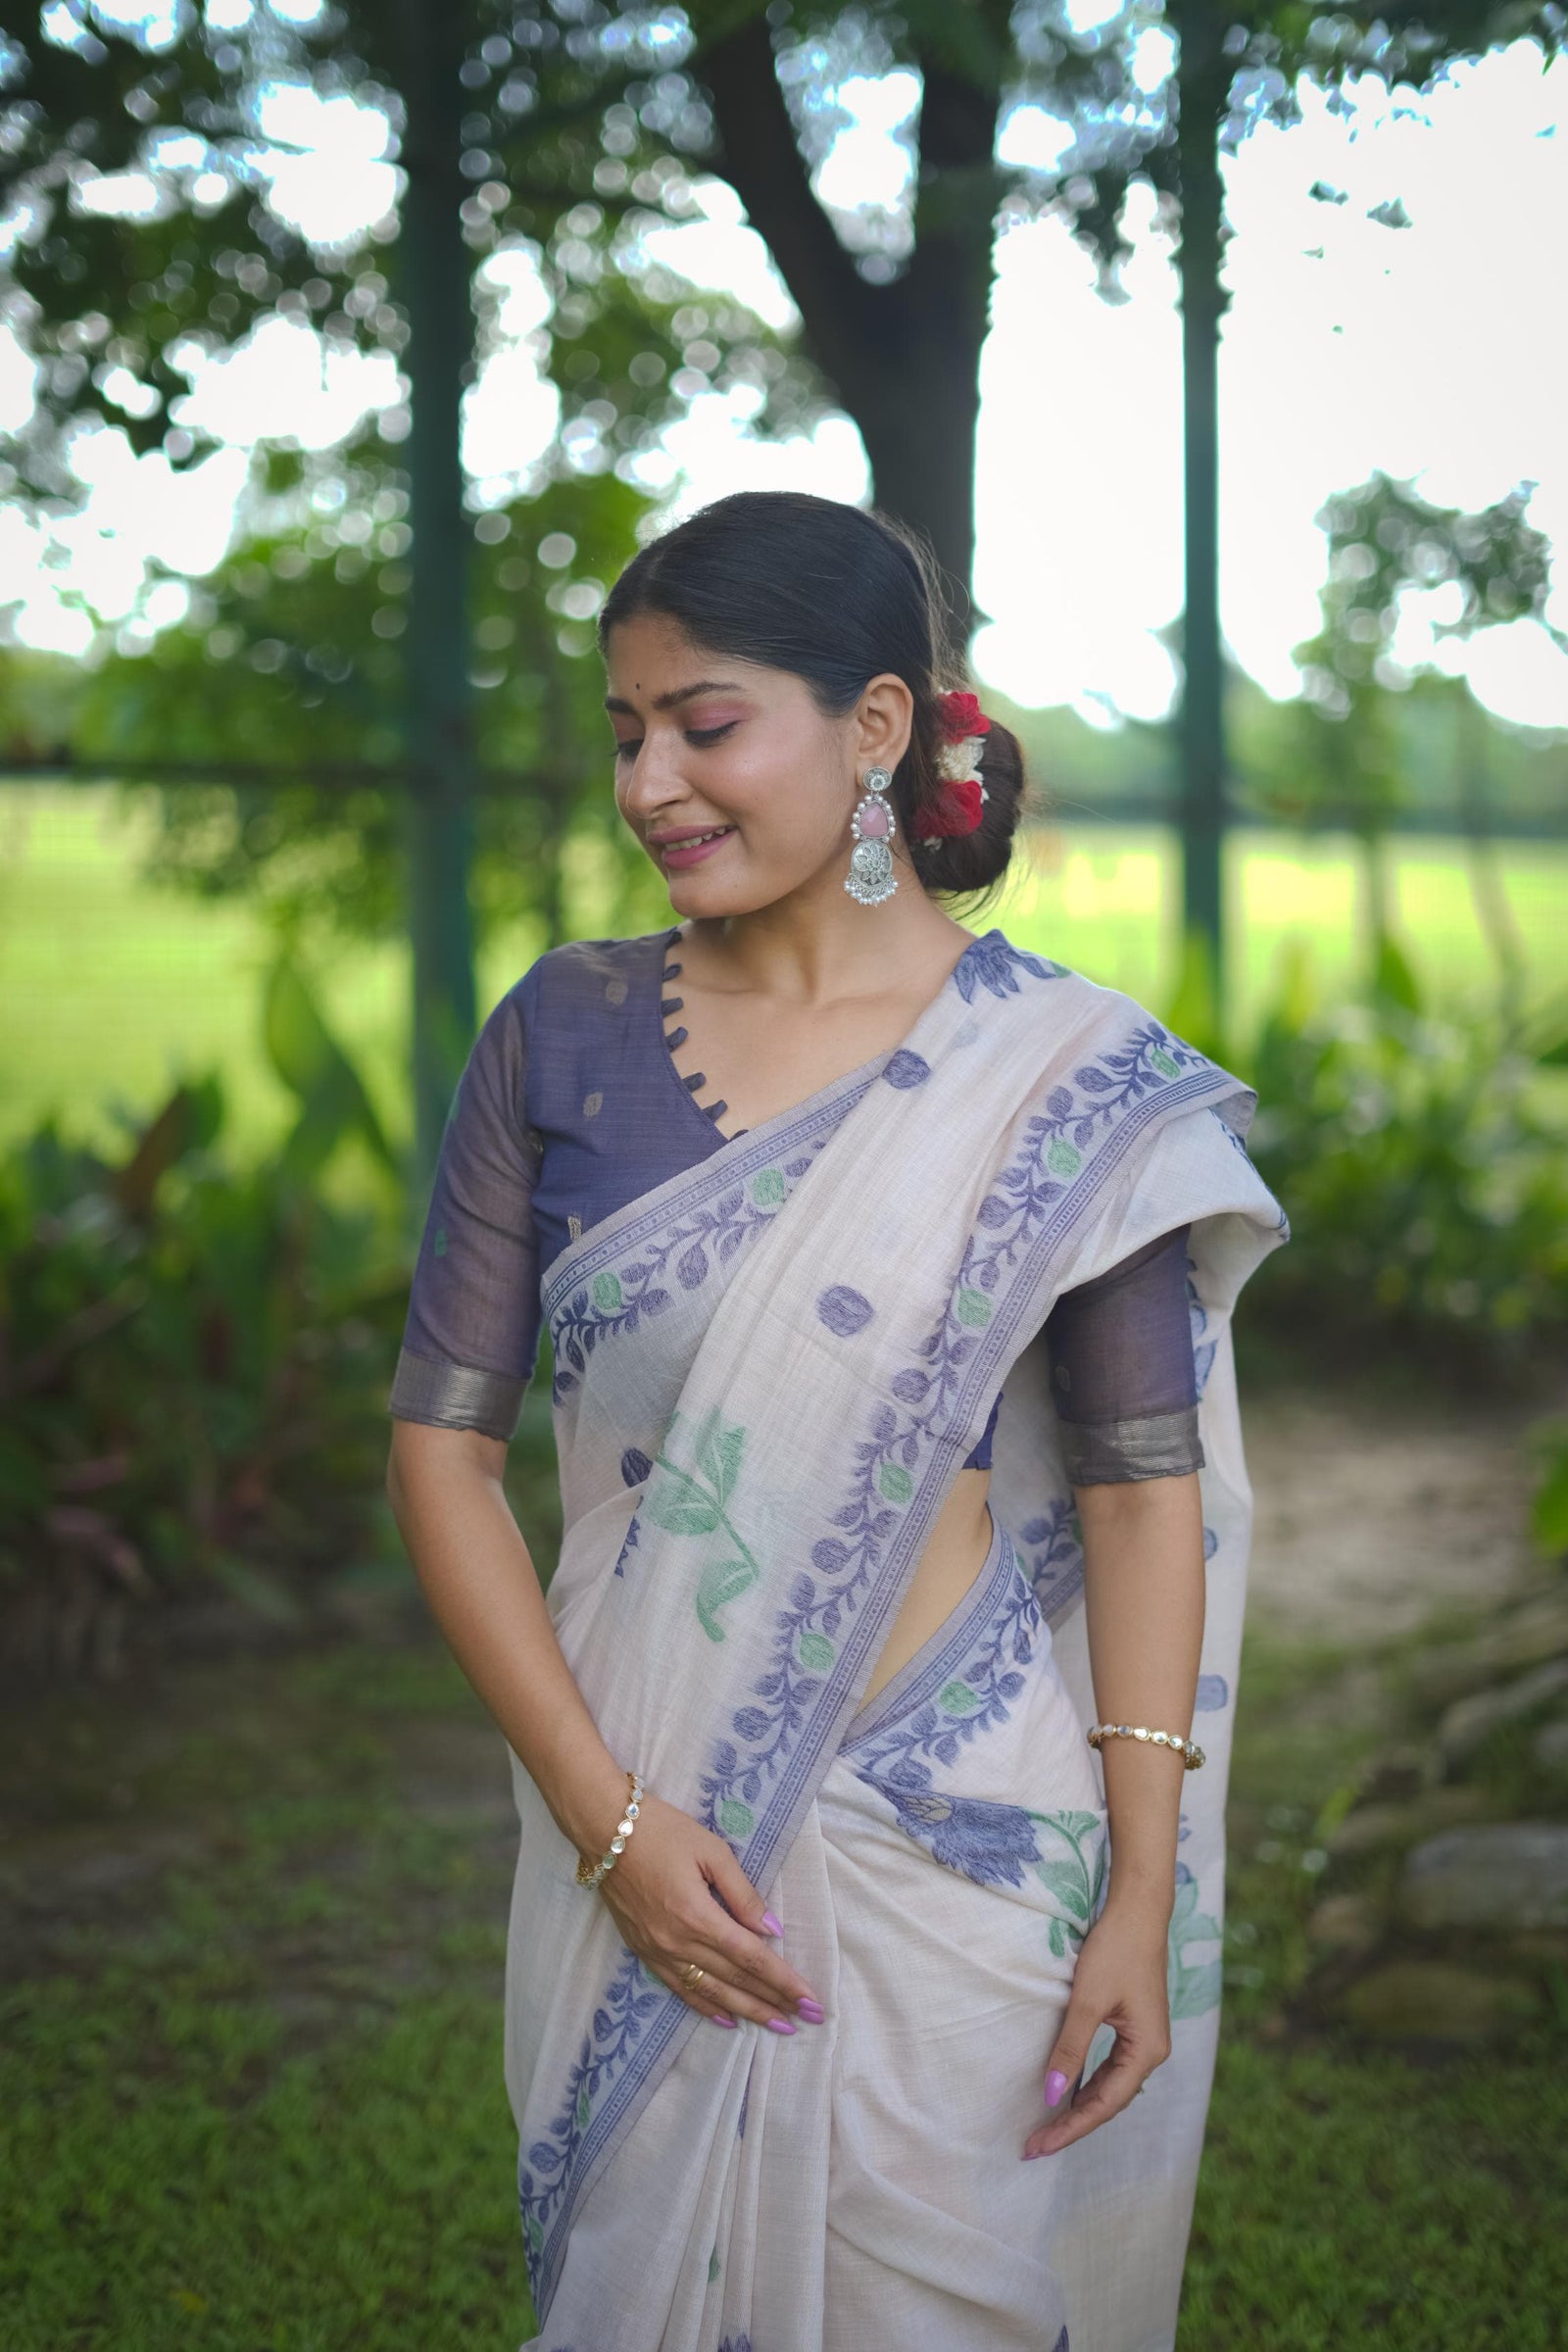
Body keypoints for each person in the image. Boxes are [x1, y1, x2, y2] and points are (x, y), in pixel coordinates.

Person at [385, 490, 1286, 2352]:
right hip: (639, 1809)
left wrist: (1139, 1880)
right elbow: (441, 1451)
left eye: (705, 724)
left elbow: (1140, 1500)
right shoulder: (560, 1036)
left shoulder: (1060, 1080)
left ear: (877, 728)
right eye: (625, 733)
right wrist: (606, 1822)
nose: (650, 782)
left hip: (963, 1833)